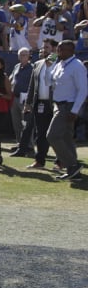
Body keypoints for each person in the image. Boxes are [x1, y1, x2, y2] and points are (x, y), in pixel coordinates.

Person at [47, 40, 87, 181]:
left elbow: (83, 90)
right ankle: (74, 172)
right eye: (58, 49)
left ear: (71, 51)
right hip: (58, 105)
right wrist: (49, 66)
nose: (58, 52)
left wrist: (75, 110)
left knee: (51, 136)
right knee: (66, 138)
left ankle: (72, 165)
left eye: (62, 49)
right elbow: (49, 82)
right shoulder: (59, 64)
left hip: (68, 106)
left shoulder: (77, 66)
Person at [25, 39, 58, 169]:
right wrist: (28, 102)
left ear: (54, 49)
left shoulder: (59, 63)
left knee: (56, 133)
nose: (44, 50)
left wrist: (53, 59)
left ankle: (60, 161)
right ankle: (40, 160)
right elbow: (32, 85)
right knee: (40, 133)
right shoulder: (37, 64)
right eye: (43, 47)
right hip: (40, 103)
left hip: (55, 103)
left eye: (47, 47)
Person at [8, 47, 34, 157]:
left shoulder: (32, 68)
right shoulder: (16, 67)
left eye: (25, 55)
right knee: (16, 123)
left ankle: (29, 146)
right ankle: (20, 144)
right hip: (15, 97)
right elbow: (11, 79)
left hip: (26, 99)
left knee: (26, 123)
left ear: (29, 57)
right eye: (21, 55)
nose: (22, 56)